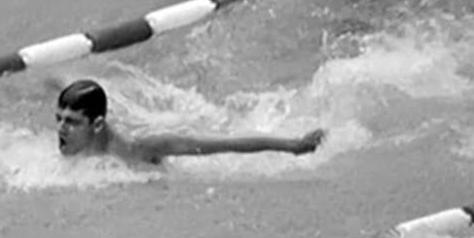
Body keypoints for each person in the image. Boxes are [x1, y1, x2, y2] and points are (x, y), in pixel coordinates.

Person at [53, 79, 325, 164]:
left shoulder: (138, 146)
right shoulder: (69, 142)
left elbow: (225, 144)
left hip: (177, 134)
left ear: (98, 124)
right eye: (59, 119)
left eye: (72, 122)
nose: (61, 128)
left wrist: (293, 145)